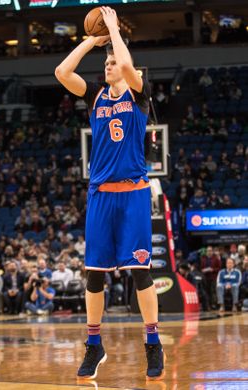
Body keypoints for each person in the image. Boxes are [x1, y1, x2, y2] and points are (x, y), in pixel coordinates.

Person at [55, 6, 165, 381]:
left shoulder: (139, 96)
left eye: (113, 62)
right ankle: (94, 344)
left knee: (139, 272)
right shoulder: (94, 98)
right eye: (106, 63)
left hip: (133, 193)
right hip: (101, 195)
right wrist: (91, 40)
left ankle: (152, 341)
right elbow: (61, 73)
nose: (108, 66)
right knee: (94, 277)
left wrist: (117, 32)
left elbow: (131, 68)